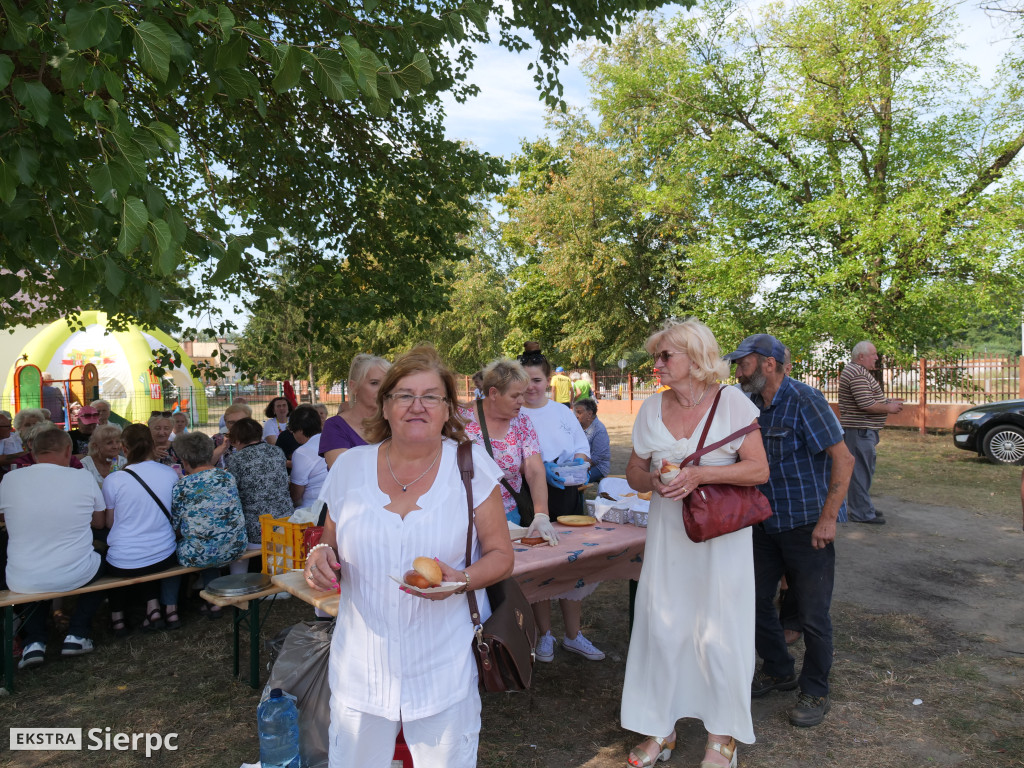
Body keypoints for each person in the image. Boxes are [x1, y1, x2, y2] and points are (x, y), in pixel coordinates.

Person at [304, 345, 513, 768]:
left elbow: (501, 555)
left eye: (431, 396)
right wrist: (320, 556)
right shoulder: (349, 468)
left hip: (442, 663)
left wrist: (463, 580)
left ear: (448, 407)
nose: (417, 406)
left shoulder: (472, 466)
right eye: (404, 395)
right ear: (384, 406)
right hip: (360, 668)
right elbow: (329, 540)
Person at [621, 319, 769, 768]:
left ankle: (721, 738)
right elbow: (633, 473)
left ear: (697, 357)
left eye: (666, 355)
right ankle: (659, 729)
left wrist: (700, 473)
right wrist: (655, 480)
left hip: (719, 541)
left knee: (719, 635)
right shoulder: (651, 408)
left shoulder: (733, 404)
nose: (658, 364)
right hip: (668, 539)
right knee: (662, 629)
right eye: (656, 356)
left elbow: (758, 470)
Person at [725, 333, 855, 728]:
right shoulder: (748, 405)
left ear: (768, 362)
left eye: (743, 362)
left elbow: (844, 459)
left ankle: (815, 690)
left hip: (805, 527)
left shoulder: (804, 400)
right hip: (763, 525)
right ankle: (779, 670)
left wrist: (829, 519)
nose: (737, 370)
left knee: (813, 615)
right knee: (753, 600)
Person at [518, 345, 601, 662]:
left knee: (571, 563)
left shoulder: (563, 412)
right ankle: (545, 636)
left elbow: (582, 448)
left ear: (549, 381)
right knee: (539, 563)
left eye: (537, 380)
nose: (531, 387)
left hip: (567, 493)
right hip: (532, 496)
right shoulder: (515, 414)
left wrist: (576, 466)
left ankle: (573, 634)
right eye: (525, 380)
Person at [0, 428, 108, 667]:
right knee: (107, 558)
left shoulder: (10, 480)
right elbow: (99, 523)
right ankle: (78, 633)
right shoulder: (82, 477)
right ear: (69, 450)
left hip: (21, 578)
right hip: (77, 573)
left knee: (32, 574)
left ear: (32, 451)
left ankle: (34, 643)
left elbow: (6, 520)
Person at [103, 424, 182, 634]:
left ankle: (117, 617)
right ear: (152, 445)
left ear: (124, 449)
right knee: (148, 555)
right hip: (164, 555)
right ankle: (153, 607)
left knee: (122, 554)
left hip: (123, 562)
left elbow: (109, 523)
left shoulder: (113, 480)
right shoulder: (169, 473)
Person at [458, 358, 551, 528]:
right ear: (493, 393)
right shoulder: (460, 420)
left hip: (507, 517)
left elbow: (534, 470)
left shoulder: (522, 422)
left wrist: (542, 515)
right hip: (461, 516)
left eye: (523, 394)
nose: (522, 401)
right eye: (515, 395)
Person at [170, 431, 247, 597]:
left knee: (181, 545)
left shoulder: (182, 486)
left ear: (184, 459)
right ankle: (211, 598)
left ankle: (174, 605)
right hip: (235, 548)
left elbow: (174, 524)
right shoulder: (227, 477)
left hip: (199, 555)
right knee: (206, 538)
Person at [838, 341, 903, 525]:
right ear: (861, 356)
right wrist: (888, 407)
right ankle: (861, 513)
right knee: (859, 472)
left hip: (861, 431)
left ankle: (863, 507)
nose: (876, 357)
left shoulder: (857, 371)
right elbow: (866, 404)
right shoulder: (857, 373)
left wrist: (887, 401)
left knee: (863, 471)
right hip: (859, 431)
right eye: (873, 354)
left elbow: (867, 399)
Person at [225, 417, 293, 560]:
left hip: (256, 530)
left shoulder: (235, 459)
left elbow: (233, 492)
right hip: (286, 522)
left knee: (235, 545)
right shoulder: (277, 451)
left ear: (237, 439)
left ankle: (240, 579)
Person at [320, 354, 391, 469]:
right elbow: (344, 472)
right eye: (374, 383)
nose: (382, 389)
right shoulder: (335, 426)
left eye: (387, 384)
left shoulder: (395, 422)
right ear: (354, 386)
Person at [288, 405, 328, 510]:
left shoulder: (302, 452)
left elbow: (296, 495)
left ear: (300, 430)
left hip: (312, 510)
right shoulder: (332, 440)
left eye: (293, 431)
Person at [573, 398, 610, 484]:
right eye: (575, 412)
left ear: (589, 414)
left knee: (574, 480)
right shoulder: (577, 427)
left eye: (579, 412)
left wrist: (577, 467)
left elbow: (596, 458)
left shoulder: (599, 430)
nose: (576, 415)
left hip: (598, 467)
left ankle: (579, 497)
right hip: (581, 464)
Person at [213, 402, 252, 466]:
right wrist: (223, 447)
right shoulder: (216, 440)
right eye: (231, 422)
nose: (236, 426)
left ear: (249, 422)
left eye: (241, 422)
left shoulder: (257, 440)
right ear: (226, 423)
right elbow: (203, 466)